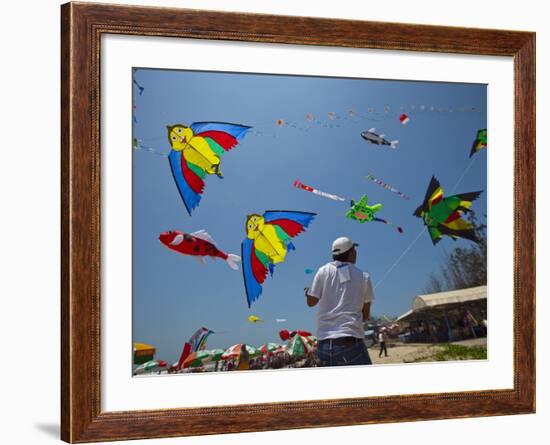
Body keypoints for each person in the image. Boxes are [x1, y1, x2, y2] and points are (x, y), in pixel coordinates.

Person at [305, 236, 374, 367]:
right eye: (354, 250)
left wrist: (307, 293)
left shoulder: (323, 271)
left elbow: (311, 302)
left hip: (324, 344)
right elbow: (365, 315)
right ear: (351, 252)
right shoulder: (364, 277)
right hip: (351, 341)